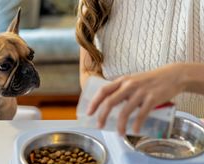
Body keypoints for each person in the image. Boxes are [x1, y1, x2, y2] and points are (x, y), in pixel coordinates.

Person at [76, 0, 204, 135]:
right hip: (122, 135)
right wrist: (114, 104)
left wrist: (181, 76)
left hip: (195, 137)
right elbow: (89, 70)